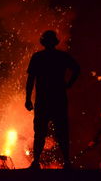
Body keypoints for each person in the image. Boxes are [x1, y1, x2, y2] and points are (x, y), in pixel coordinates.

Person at [25, 30, 80, 169]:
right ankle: (67, 162)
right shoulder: (62, 56)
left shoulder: (38, 57)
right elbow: (77, 69)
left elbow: (31, 79)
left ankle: (36, 162)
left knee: (40, 132)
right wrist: (69, 84)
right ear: (55, 42)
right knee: (62, 131)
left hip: (43, 100)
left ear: (43, 42)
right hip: (58, 99)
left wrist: (28, 98)